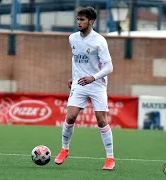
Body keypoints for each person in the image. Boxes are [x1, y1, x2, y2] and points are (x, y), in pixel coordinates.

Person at [54, 6, 115, 170]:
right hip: (79, 84)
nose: (79, 22)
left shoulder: (99, 41)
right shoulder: (72, 38)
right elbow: (77, 60)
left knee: (101, 121)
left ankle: (110, 159)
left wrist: (92, 77)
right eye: (78, 19)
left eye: (82, 20)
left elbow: (109, 68)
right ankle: (64, 149)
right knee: (70, 117)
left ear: (91, 21)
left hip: (97, 84)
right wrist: (73, 78)